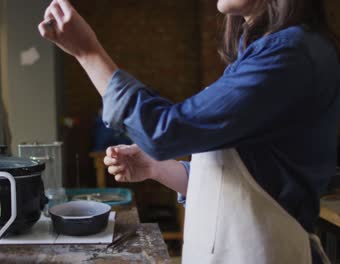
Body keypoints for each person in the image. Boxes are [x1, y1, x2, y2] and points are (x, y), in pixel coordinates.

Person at [39, 0, 340, 263]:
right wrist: (159, 168)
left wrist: (88, 52)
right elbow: (249, 181)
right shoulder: (273, 51)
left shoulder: (289, 54)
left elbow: (164, 131)